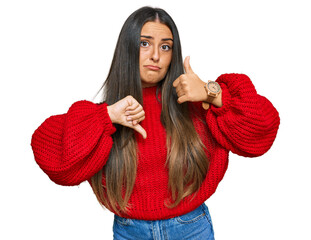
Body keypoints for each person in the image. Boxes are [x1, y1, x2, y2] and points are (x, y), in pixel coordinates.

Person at [31, 6, 280, 240]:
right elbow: (48, 152)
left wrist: (210, 93)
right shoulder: (107, 114)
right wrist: (106, 117)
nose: (155, 56)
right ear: (127, 48)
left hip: (191, 227)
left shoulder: (197, 104)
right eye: (144, 43)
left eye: (165, 47)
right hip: (130, 230)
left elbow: (264, 128)